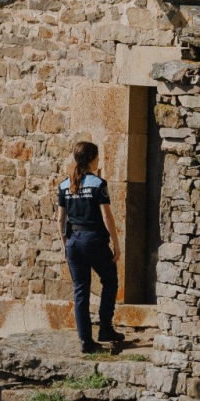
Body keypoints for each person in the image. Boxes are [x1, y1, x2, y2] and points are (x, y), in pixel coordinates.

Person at [58, 140, 125, 354]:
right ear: (91, 159)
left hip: (73, 241)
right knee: (110, 280)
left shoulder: (64, 185)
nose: (99, 161)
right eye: (97, 157)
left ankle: (85, 341)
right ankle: (105, 328)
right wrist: (116, 243)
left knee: (80, 291)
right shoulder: (98, 183)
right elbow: (106, 215)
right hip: (93, 239)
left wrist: (65, 244)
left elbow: (60, 219)